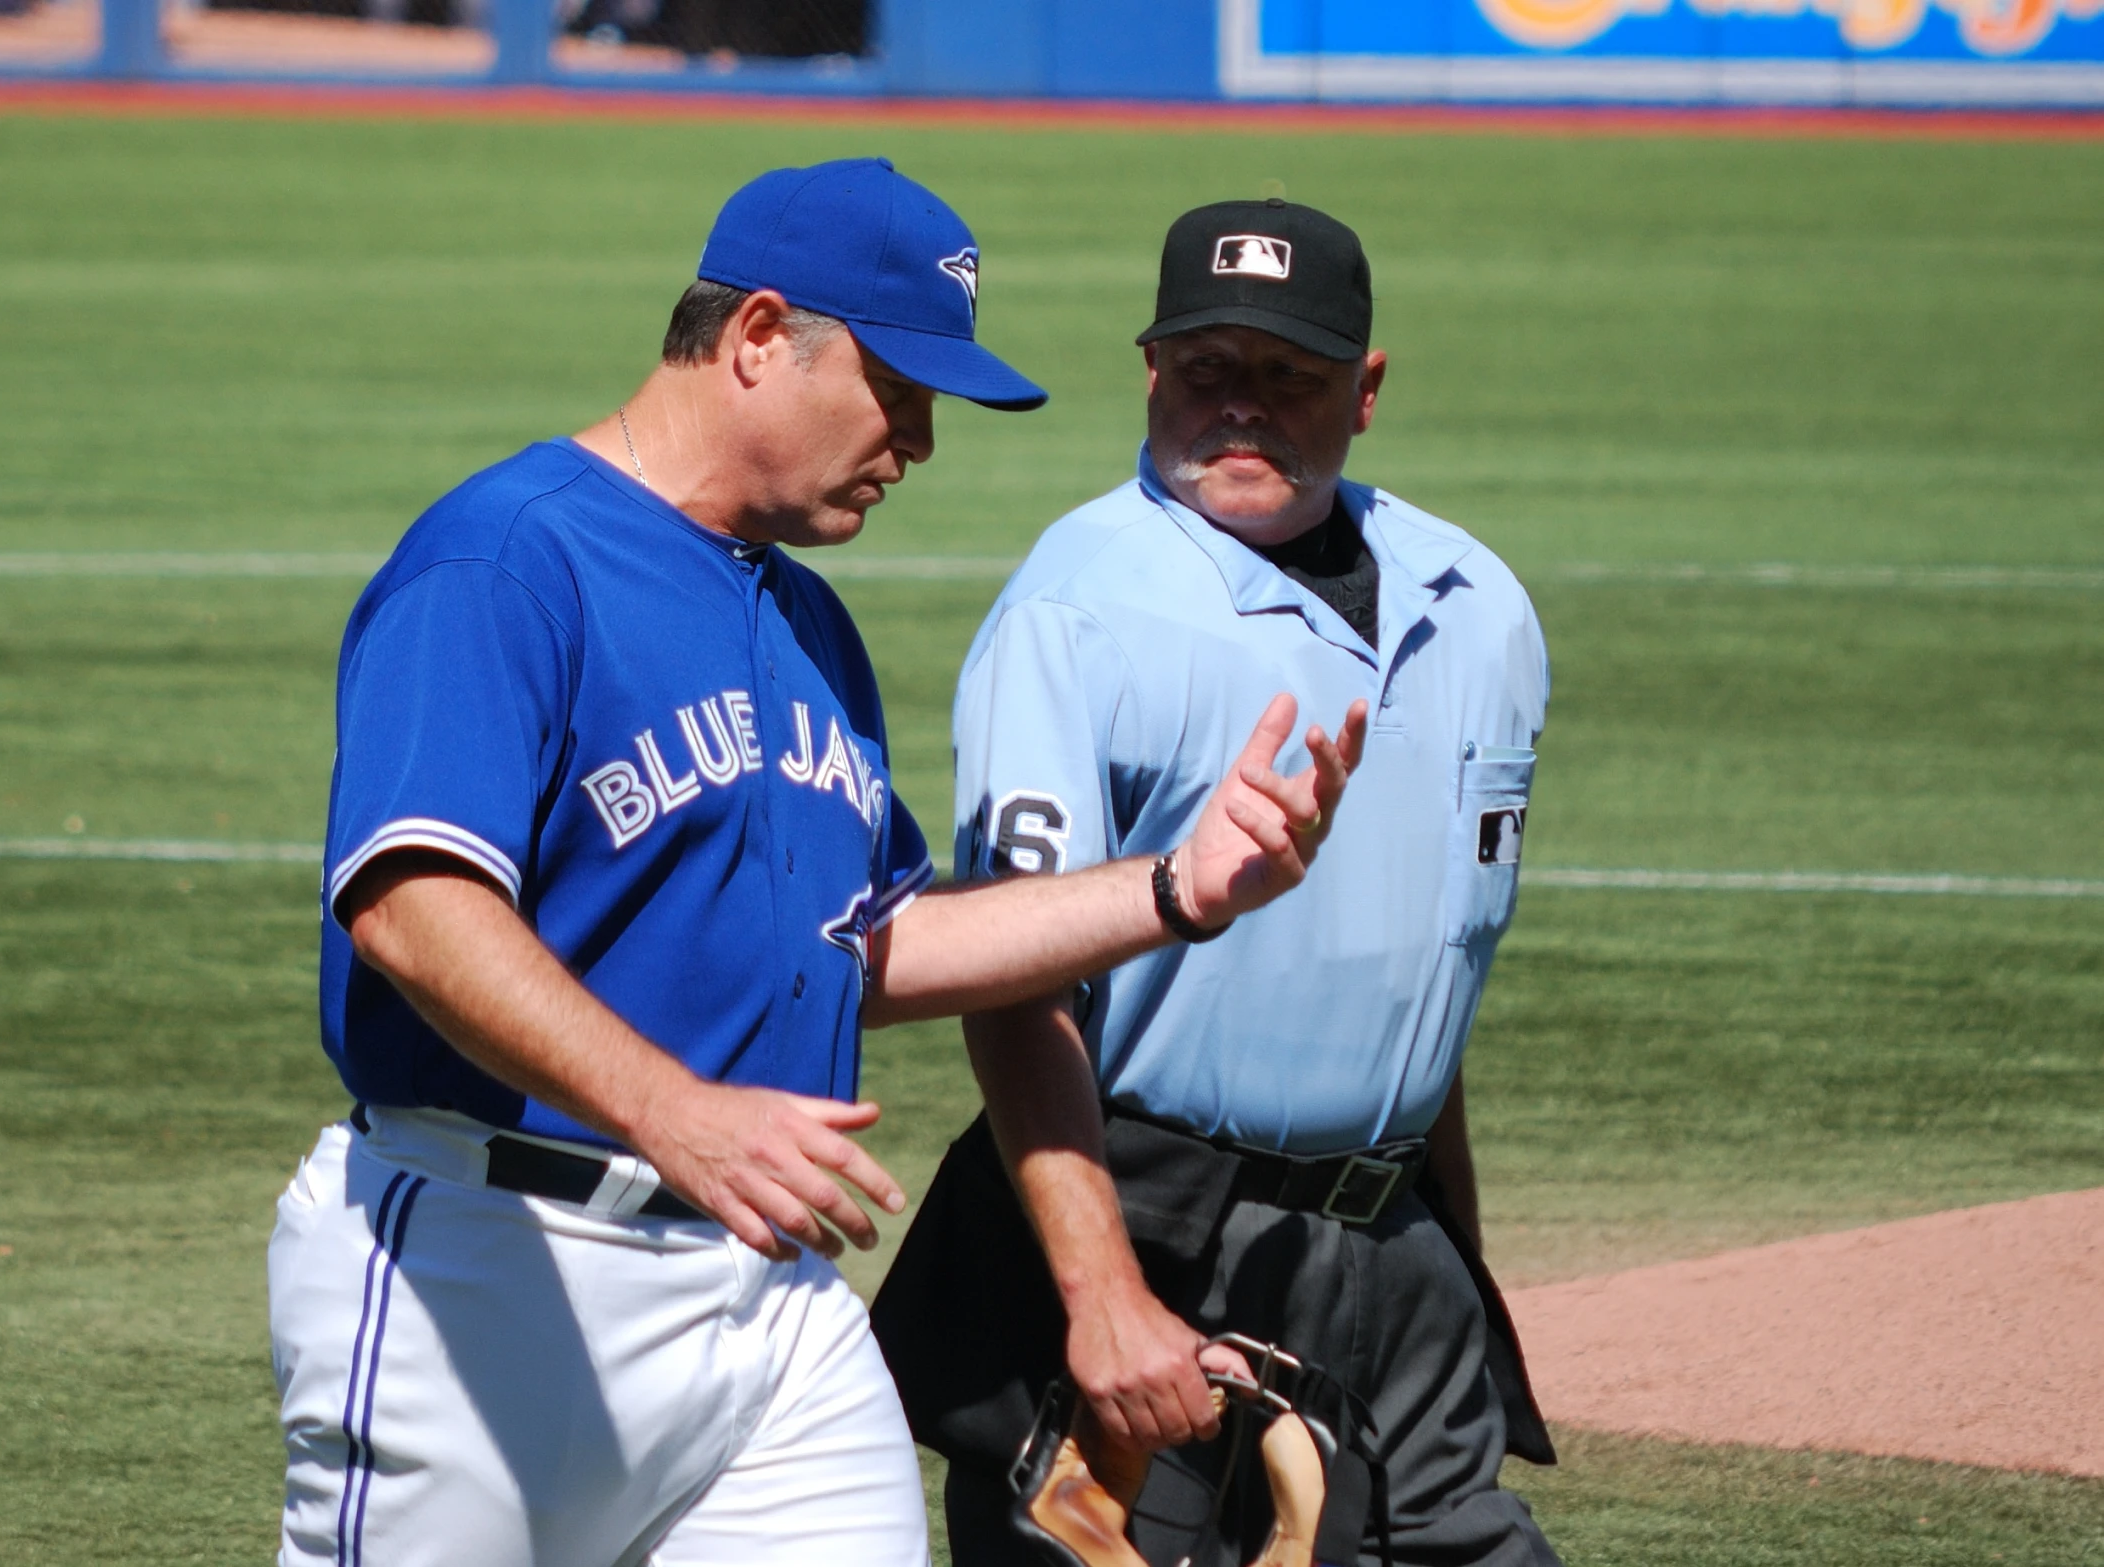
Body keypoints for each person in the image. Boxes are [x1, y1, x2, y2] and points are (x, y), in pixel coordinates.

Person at [266, 160, 1367, 1567]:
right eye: (896, 389)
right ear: (756, 336)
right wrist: (677, 1110)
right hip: (490, 1271)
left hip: (764, 1299)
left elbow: (872, 943)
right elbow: (411, 908)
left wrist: (1170, 889)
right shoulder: (504, 560)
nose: (917, 440)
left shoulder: (806, 625)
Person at [871, 197, 1561, 1566]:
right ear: (1149, 369)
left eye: (1285, 378)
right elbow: (1013, 983)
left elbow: (1426, 975)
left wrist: (1458, 1264)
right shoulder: (1080, 609)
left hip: (1393, 1254)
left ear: (1362, 391)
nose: (1237, 410)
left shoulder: (1473, 606)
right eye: (1204, 371)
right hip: (1151, 1235)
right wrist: (1101, 1294)